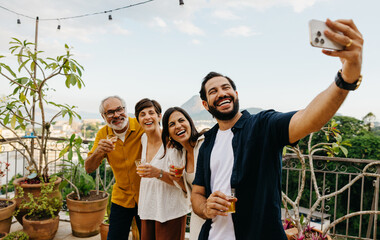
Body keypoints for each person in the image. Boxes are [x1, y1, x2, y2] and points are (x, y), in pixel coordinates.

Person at [191, 18, 364, 240]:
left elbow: (308, 119)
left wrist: (346, 78)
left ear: (236, 94)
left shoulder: (262, 126)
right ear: (205, 104)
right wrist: (205, 207)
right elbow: (197, 193)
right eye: (213, 91)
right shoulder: (208, 141)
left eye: (226, 88)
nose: (222, 93)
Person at [85, 96, 144, 240]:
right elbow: (89, 168)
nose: (116, 115)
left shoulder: (141, 125)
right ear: (103, 116)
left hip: (146, 196)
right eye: (110, 112)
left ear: (125, 109)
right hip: (121, 197)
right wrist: (99, 151)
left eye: (119, 109)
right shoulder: (103, 134)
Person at [134, 99, 190, 240]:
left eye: (151, 113)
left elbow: (184, 185)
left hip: (170, 211)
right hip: (148, 208)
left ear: (159, 116)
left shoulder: (172, 142)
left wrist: (158, 173)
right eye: (142, 114)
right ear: (138, 120)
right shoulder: (143, 139)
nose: (147, 117)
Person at [161, 107, 206, 240]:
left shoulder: (204, 144)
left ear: (190, 122)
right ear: (168, 132)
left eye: (181, 120)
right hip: (199, 213)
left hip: (216, 209)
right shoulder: (181, 155)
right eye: (172, 124)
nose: (178, 126)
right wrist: (179, 180)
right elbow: (189, 191)